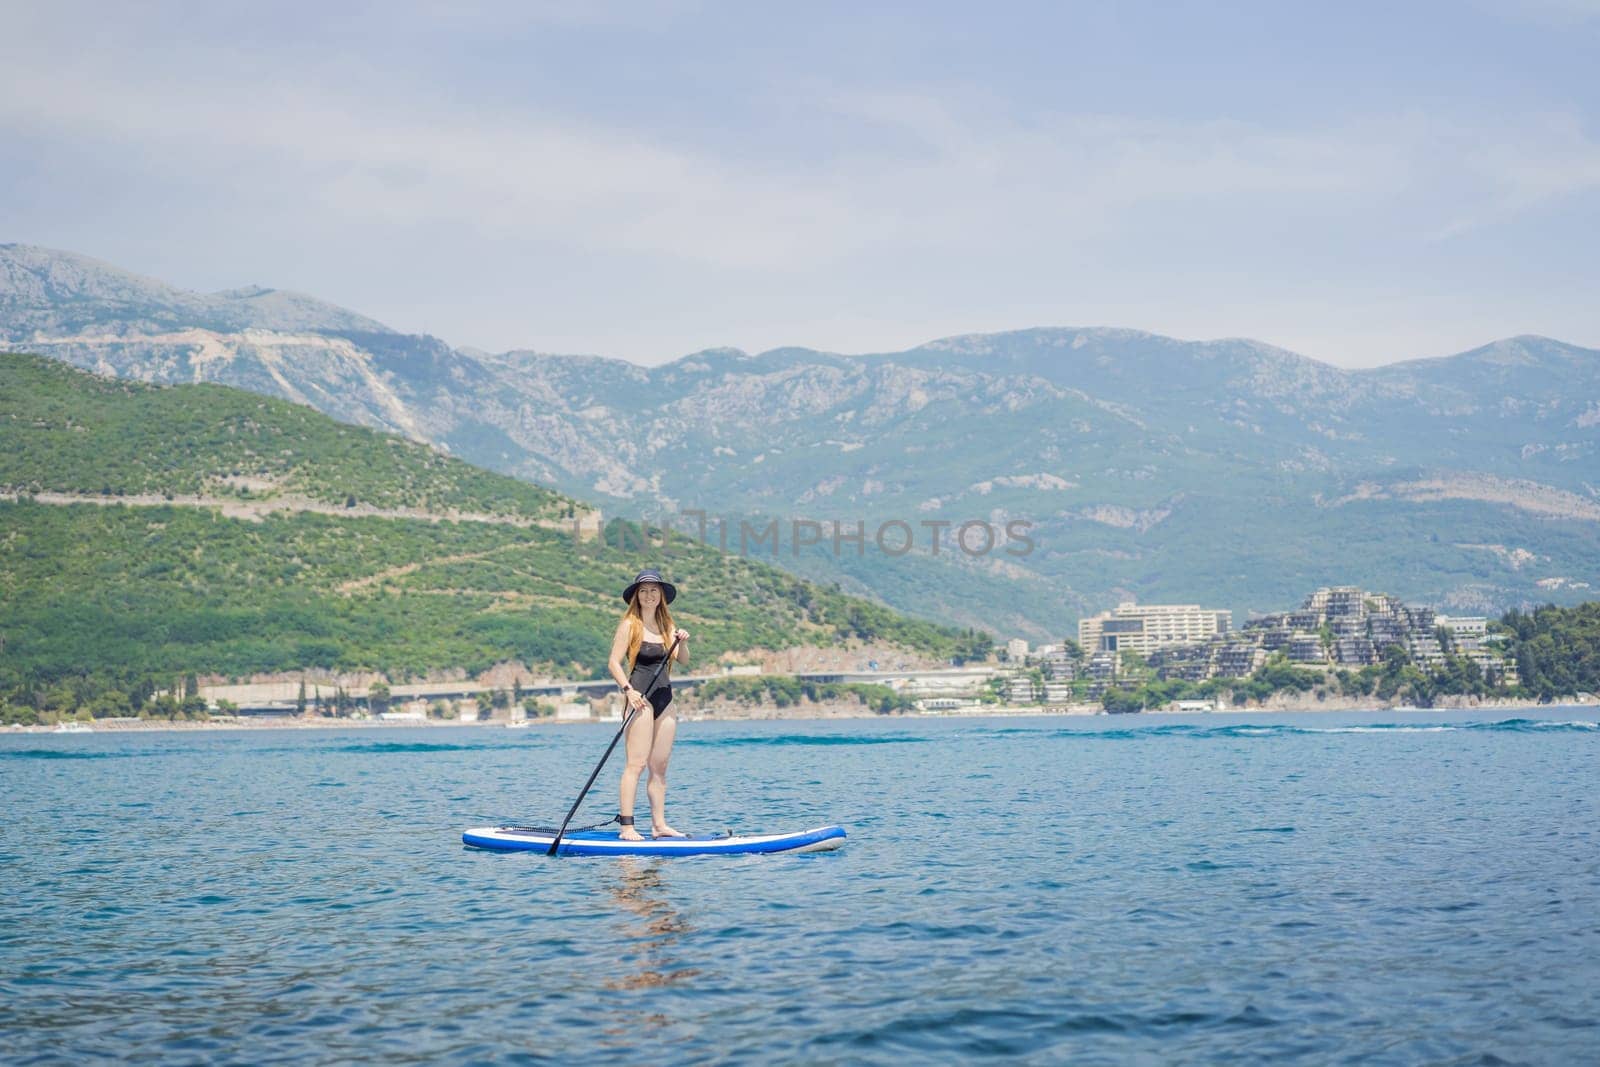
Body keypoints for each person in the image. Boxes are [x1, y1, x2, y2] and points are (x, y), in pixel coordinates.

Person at [608, 569, 691, 841]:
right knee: (636, 764)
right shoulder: (629, 625)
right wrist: (628, 691)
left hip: (665, 698)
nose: (649, 595)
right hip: (639, 697)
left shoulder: (667, 626)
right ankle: (627, 827)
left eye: (654, 590)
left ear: (661, 596)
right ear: (637, 596)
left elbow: (683, 660)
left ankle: (659, 826)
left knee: (660, 767)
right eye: (643, 590)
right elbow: (613, 663)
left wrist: (683, 641)